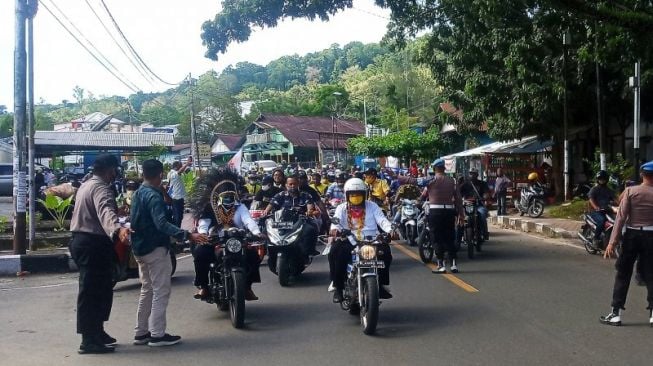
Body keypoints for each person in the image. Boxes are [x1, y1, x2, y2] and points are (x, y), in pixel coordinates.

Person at [130, 159, 208, 347]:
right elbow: (162, 224)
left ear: (143, 174)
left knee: (147, 289)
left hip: (139, 248)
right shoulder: (153, 196)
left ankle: (141, 333)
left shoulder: (139, 193)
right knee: (160, 291)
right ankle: (157, 334)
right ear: (160, 175)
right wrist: (188, 235)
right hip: (155, 248)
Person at [69, 154, 130, 354]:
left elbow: (98, 211)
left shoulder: (87, 184)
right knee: (91, 292)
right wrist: (118, 229)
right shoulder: (100, 188)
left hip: (84, 241)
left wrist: (117, 213)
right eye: (115, 170)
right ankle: (88, 340)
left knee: (102, 289)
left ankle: (97, 331)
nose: (115, 174)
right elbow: (105, 211)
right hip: (92, 244)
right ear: (110, 170)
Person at [189, 168, 265, 301]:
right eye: (225, 196)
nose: (228, 198)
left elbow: (248, 221)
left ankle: (247, 287)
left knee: (253, 256)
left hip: (237, 240)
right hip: (215, 241)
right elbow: (203, 224)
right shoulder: (209, 208)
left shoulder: (240, 207)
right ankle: (204, 286)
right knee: (200, 254)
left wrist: (257, 232)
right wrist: (203, 234)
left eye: (231, 195)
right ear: (218, 196)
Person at [600, 161, 653, 326]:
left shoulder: (630, 191)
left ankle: (615, 314)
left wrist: (612, 242)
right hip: (651, 237)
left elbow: (620, 218)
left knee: (623, 273)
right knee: (651, 275)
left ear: (642, 175)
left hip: (632, 236)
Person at [329, 178, 394, 302]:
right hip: (348, 239)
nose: (356, 197)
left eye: (358, 194)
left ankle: (380, 284)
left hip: (372, 239)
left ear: (365, 194)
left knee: (385, 253)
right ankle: (338, 287)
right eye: (352, 195)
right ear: (346, 195)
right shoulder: (341, 208)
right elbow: (336, 221)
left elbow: (382, 220)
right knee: (335, 253)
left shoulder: (372, 206)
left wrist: (390, 230)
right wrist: (335, 229)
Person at [399, 158, 463, 273]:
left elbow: (413, 181)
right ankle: (454, 265)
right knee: (450, 237)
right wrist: (462, 215)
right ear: (444, 168)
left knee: (436, 237)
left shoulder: (431, 180)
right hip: (449, 212)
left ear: (435, 168)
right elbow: (458, 200)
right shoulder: (453, 181)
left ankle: (441, 265)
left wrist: (397, 176)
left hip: (435, 212)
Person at [263, 175, 320, 260]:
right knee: (265, 230)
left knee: (311, 229)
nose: (292, 186)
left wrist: (309, 211)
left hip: (300, 221)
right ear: (286, 185)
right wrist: (265, 212)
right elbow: (270, 205)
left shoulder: (305, 195)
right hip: (282, 223)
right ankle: (268, 251)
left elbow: (310, 207)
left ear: (298, 184)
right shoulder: (280, 195)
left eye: (294, 184)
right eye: (290, 184)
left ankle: (308, 251)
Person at [460, 168, 491, 241]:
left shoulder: (482, 184)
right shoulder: (465, 184)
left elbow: (487, 193)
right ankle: (458, 237)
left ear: (477, 175)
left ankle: (485, 232)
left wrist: (485, 196)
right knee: (460, 217)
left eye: (474, 173)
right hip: (467, 206)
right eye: (471, 173)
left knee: (483, 214)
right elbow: (458, 194)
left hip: (478, 205)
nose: (472, 175)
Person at [588, 170, 615, 245]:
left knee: (615, 221)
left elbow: (616, 199)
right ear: (597, 179)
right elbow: (591, 199)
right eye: (600, 178)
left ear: (607, 179)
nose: (602, 180)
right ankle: (596, 238)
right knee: (602, 221)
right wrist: (596, 207)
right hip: (596, 211)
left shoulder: (609, 190)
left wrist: (621, 204)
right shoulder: (594, 189)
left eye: (603, 178)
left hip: (607, 210)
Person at [167, 157, 192, 227]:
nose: (181, 167)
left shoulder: (176, 174)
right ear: (177, 166)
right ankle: (177, 233)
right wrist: (187, 163)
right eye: (180, 165)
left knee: (179, 216)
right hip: (176, 198)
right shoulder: (172, 173)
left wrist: (188, 165)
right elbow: (179, 172)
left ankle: (177, 231)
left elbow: (185, 171)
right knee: (178, 217)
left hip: (179, 197)